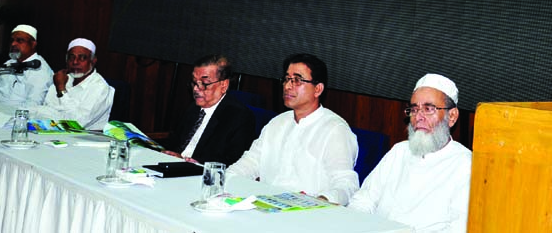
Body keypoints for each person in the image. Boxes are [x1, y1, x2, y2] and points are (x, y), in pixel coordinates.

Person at [348, 73, 472, 232]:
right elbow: (363, 201)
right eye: (414, 109)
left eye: (428, 109)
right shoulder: (399, 151)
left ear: (452, 116)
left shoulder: (466, 165)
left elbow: (459, 229)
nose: (418, 117)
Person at [228, 53, 358, 204]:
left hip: (306, 213)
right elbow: (249, 163)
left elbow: (346, 184)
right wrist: (223, 180)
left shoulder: (335, 129)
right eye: (287, 79)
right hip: (264, 204)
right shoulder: (277, 123)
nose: (288, 86)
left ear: (318, 89)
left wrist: (321, 200)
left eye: (297, 80)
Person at [164, 55, 256, 165]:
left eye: (204, 83)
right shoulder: (193, 108)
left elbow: (233, 162)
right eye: (194, 82)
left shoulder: (239, 117)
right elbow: (174, 142)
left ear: (223, 85)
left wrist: (192, 164)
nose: (196, 89)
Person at [30, 38, 115, 130]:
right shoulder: (63, 78)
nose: (75, 62)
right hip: (52, 130)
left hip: (84, 138)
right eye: (71, 57)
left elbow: (77, 123)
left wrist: (61, 90)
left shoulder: (100, 88)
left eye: (82, 58)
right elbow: (47, 109)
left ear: (93, 61)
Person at [0, 24, 53, 107]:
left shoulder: (40, 70)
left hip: (12, 116)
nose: (13, 44)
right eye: (12, 40)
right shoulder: (8, 63)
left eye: (20, 40)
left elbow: (33, 105)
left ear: (33, 44)